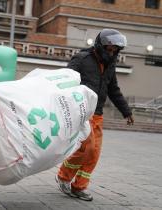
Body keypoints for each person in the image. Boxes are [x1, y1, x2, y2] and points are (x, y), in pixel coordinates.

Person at [55, 29, 134, 201]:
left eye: (115, 49)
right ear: (101, 45)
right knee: (87, 148)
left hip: (97, 113)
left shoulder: (111, 65)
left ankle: (79, 187)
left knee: (94, 153)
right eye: (109, 48)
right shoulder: (82, 59)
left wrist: (126, 111)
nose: (112, 52)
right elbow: (65, 80)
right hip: (82, 112)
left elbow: (114, 90)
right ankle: (63, 177)